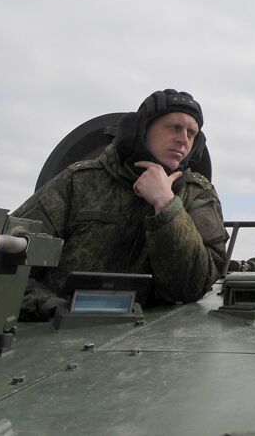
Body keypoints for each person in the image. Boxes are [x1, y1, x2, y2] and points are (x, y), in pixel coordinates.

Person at [14, 88, 228, 320]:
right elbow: (7, 262)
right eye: (174, 127)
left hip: (149, 339)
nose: (183, 139)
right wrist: (52, 308)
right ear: (143, 129)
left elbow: (194, 285)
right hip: (56, 330)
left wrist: (166, 205)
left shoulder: (197, 195)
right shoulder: (80, 182)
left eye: (191, 133)